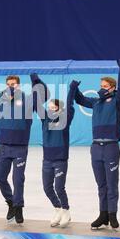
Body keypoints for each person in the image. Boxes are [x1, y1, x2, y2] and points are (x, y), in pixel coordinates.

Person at [0, 64, 48, 224]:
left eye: (13, 85)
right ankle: (11, 203)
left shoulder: (28, 100)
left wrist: (36, 81)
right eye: (8, 85)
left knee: (18, 179)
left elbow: (44, 95)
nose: (10, 87)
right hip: (4, 148)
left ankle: (19, 208)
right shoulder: (0, 101)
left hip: (20, 148)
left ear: (18, 85)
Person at [74, 59, 120, 231]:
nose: (102, 88)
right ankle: (103, 214)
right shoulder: (96, 102)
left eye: (105, 86)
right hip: (96, 148)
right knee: (101, 184)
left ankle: (113, 214)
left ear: (112, 88)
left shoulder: (117, 101)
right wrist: (74, 89)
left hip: (111, 147)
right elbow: (80, 100)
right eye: (101, 85)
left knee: (112, 184)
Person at [40, 80, 78, 228]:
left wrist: (72, 90)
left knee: (59, 187)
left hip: (60, 159)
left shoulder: (65, 119)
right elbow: (37, 104)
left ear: (59, 109)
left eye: (53, 107)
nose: (49, 109)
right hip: (47, 159)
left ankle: (66, 211)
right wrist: (35, 82)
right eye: (48, 107)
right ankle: (58, 209)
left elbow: (69, 106)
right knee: (47, 187)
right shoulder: (45, 119)